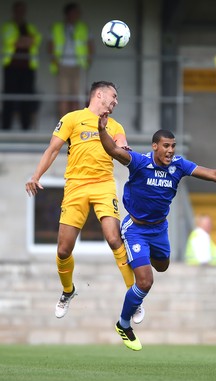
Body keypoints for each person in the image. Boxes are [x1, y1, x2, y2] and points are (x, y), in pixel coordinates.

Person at [98, 114, 216, 351]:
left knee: (162, 266)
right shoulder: (139, 162)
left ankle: (139, 265)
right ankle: (124, 323)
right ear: (155, 146)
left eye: (173, 146)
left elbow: (214, 175)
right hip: (136, 229)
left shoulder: (179, 165)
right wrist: (102, 130)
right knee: (145, 280)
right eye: (166, 146)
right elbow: (113, 150)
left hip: (160, 229)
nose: (170, 150)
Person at [25, 81, 144, 323]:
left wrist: (124, 149)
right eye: (113, 96)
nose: (116, 101)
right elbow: (52, 149)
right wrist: (36, 176)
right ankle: (68, 291)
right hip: (76, 186)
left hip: (103, 185)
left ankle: (135, 296)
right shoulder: (72, 118)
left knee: (113, 238)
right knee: (63, 249)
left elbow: (122, 146)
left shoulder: (115, 125)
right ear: (99, 95)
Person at [48, 2, 94, 117]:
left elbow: (90, 46)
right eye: (74, 12)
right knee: (63, 97)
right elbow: (50, 46)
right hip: (62, 65)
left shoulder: (83, 27)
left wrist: (87, 63)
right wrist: (56, 63)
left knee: (77, 98)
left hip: (78, 66)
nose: (76, 15)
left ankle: (75, 128)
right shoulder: (57, 27)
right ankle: (63, 127)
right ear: (67, 14)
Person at [1, 1, 42, 130]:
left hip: (28, 67)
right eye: (18, 10)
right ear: (14, 11)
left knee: (27, 98)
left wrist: (23, 40)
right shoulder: (8, 26)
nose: (20, 13)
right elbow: (13, 42)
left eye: (22, 10)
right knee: (9, 97)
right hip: (11, 67)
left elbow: (35, 40)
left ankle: (26, 126)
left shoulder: (30, 27)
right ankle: (6, 127)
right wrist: (25, 40)